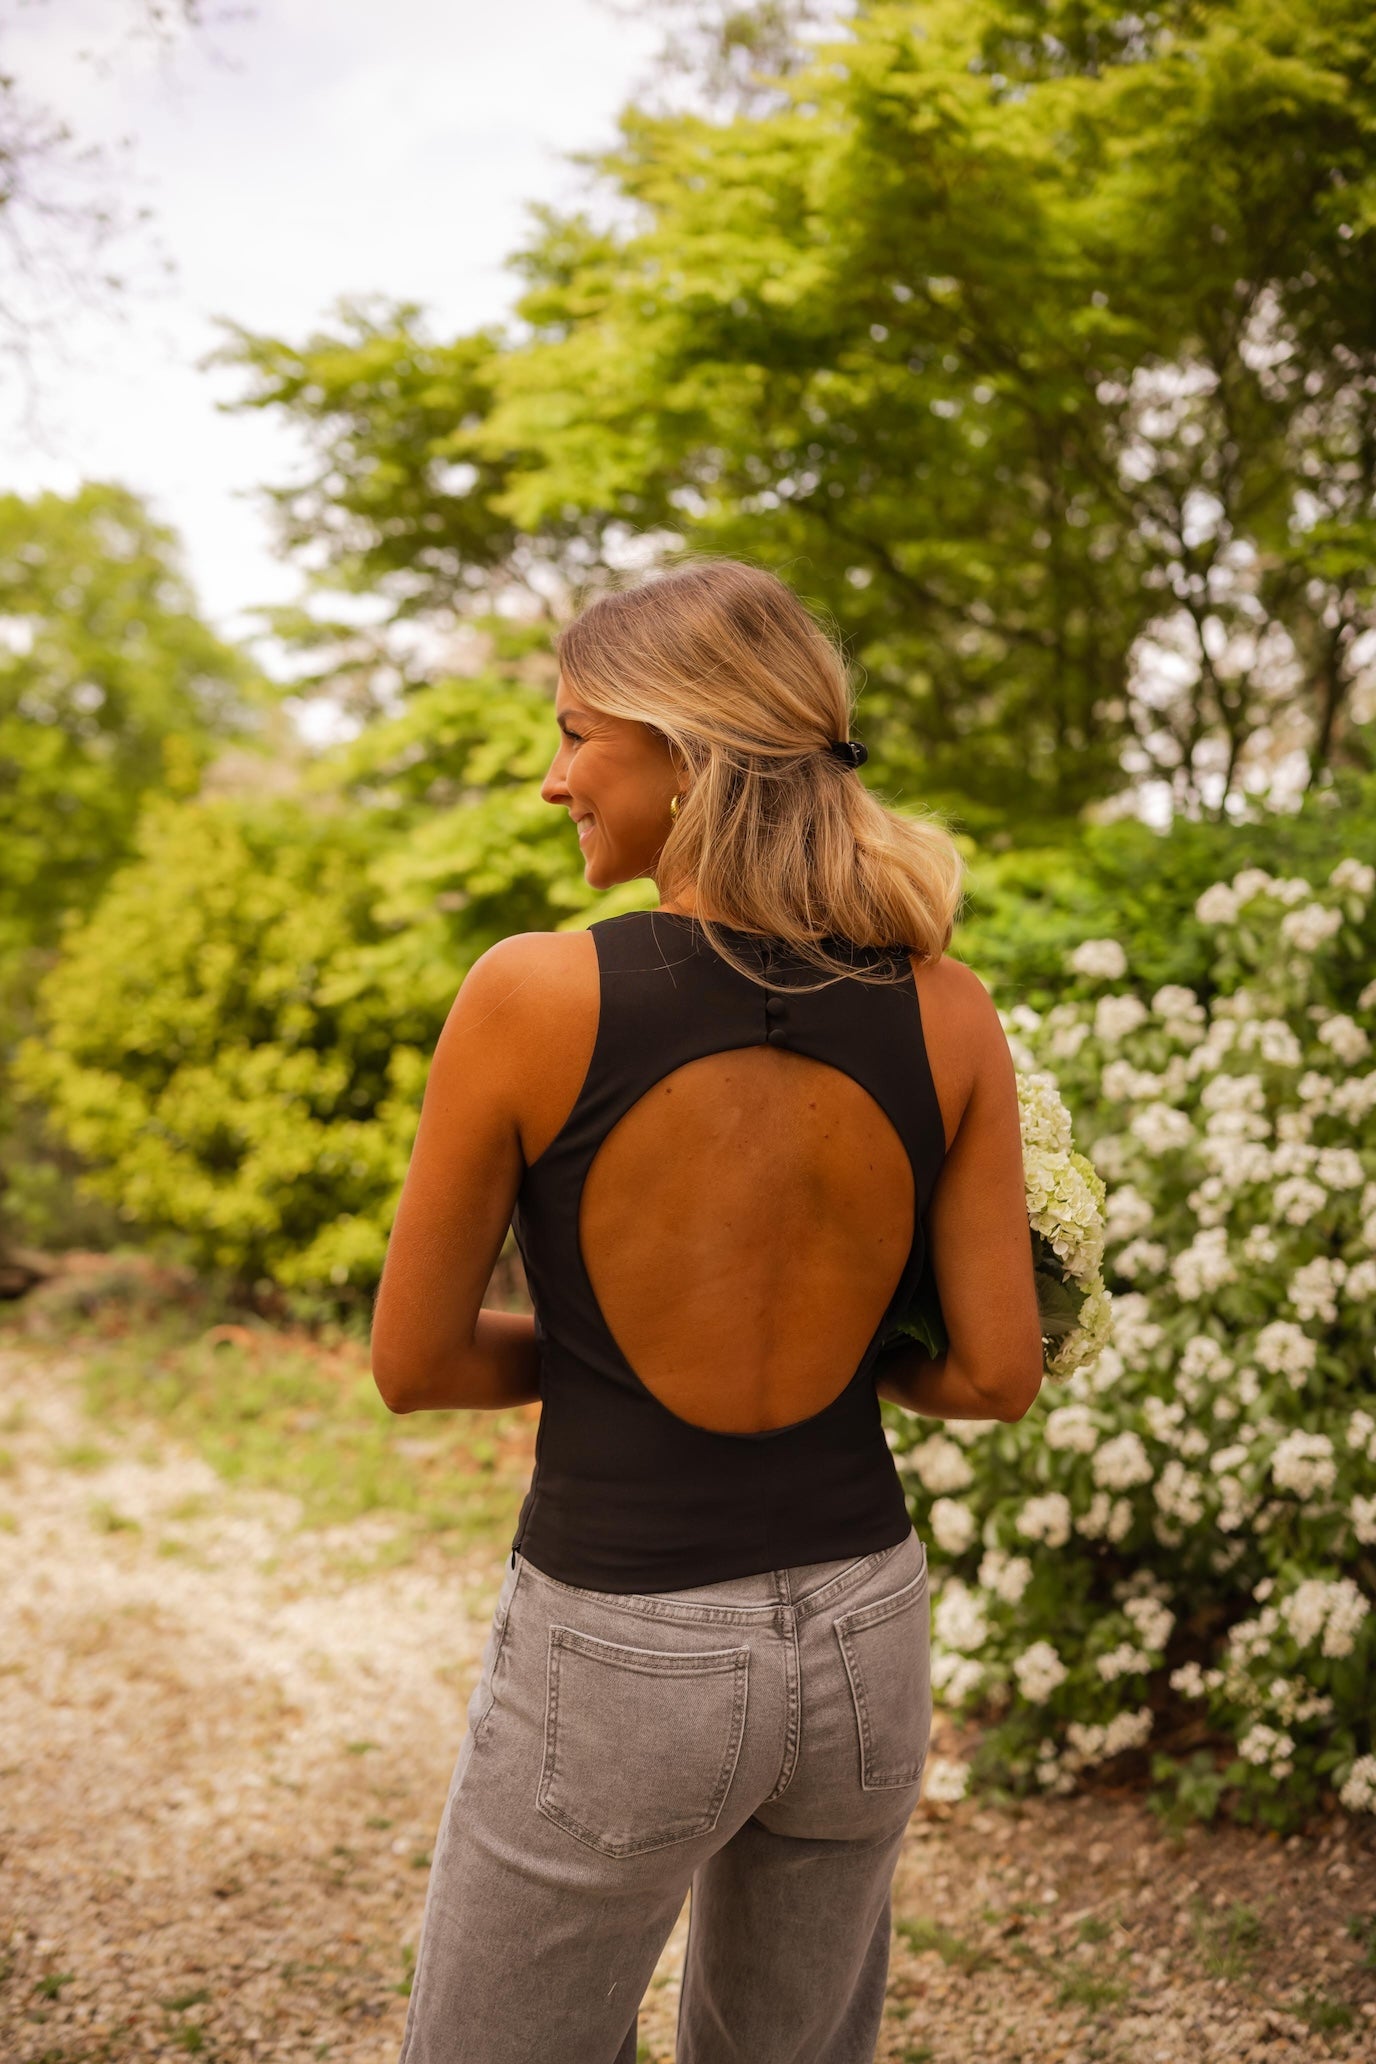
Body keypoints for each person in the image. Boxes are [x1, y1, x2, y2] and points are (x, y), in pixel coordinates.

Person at [370, 559, 1042, 2063]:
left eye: (574, 736)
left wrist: (616, 1361)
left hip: (625, 1648)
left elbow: (411, 1365)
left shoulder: (532, 996)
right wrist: (844, 1350)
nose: (554, 783)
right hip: (869, 1636)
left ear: (683, 750)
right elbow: (1000, 1373)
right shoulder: (946, 1005)